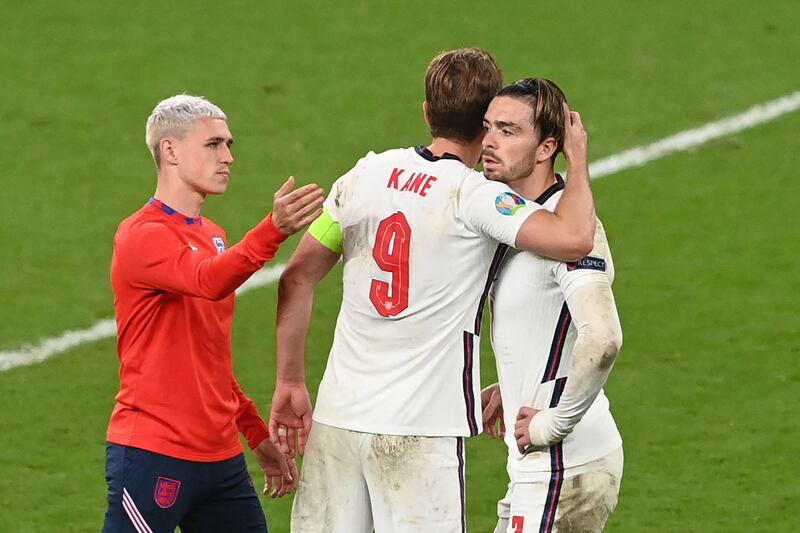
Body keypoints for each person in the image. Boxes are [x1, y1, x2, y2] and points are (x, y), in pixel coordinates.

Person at [271, 49, 596, 533]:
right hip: (422, 429)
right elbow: (574, 238)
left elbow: (296, 278)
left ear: (426, 111)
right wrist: (579, 160)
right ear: (487, 123)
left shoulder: (365, 174)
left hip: (337, 421)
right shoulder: (476, 195)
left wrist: (291, 381)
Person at [103, 94, 323, 533]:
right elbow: (207, 280)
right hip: (154, 454)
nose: (229, 157)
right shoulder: (142, 235)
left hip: (221, 462)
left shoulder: (213, 236)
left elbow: (210, 359)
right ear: (170, 151)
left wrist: (255, 435)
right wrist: (273, 229)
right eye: (214, 145)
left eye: (229, 145)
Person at [479, 78, 624, 533]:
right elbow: (549, 320)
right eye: (488, 127)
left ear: (546, 149)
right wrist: (516, 381)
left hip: (565, 465)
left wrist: (553, 424)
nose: (488, 141)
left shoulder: (571, 229)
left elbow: (603, 339)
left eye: (508, 130)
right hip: (542, 467)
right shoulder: (526, 220)